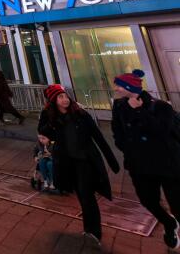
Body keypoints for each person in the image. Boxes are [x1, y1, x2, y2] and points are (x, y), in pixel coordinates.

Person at [38, 84, 119, 246]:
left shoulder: (80, 114)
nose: (65, 100)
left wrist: (111, 160)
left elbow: (98, 137)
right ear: (54, 100)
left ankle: (93, 232)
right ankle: (89, 229)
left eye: (65, 96)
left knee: (87, 194)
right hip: (67, 162)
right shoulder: (50, 116)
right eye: (60, 97)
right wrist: (53, 124)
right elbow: (42, 131)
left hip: (85, 161)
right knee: (81, 194)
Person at [111, 69, 180, 250]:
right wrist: (126, 147)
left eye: (118, 85)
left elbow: (161, 131)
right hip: (139, 165)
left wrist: (140, 111)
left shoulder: (161, 106)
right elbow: (117, 131)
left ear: (129, 87)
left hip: (167, 164)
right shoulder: (119, 106)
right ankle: (169, 223)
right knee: (148, 200)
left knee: (177, 203)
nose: (116, 89)